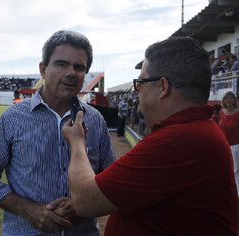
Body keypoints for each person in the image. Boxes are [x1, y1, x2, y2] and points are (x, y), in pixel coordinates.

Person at [62, 37, 238, 235]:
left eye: (141, 83)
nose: (138, 92)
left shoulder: (178, 140)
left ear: (163, 87)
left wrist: (77, 142)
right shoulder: (194, 131)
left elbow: (86, 201)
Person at [0, 30, 116, 235]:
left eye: (79, 67)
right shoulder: (13, 118)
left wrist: (82, 205)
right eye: (61, 64)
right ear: (43, 69)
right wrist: (28, 210)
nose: (71, 73)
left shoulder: (96, 120)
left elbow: (111, 179)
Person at [218, 91, 239, 192]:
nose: (229, 100)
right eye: (226, 98)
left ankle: (237, 190)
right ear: (224, 101)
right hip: (223, 144)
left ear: (234, 100)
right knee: (224, 166)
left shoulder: (238, 112)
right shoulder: (221, 112)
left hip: (235, 145)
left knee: (236, 169)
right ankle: (226, 187)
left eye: (231, 98)